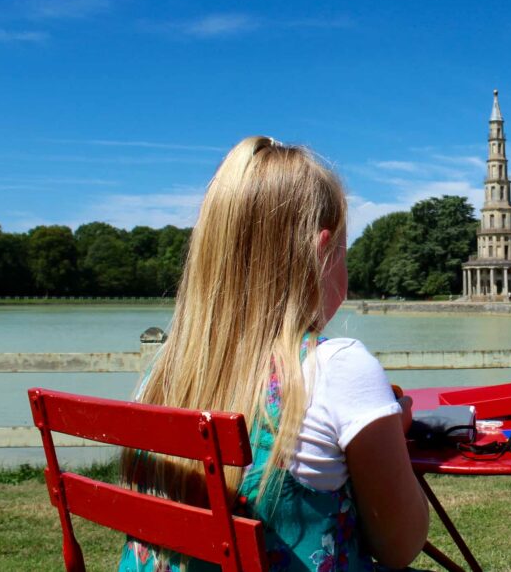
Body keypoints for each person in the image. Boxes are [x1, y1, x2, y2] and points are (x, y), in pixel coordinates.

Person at [118, 136, 429, 572]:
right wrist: (389, 436)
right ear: (322, 252)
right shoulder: (338, 367)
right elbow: (401, 546)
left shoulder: (166, 372)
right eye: (345, 251)